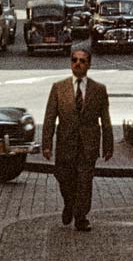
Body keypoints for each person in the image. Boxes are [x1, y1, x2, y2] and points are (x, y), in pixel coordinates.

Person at [41, 48, 114, 231]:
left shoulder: (98, 89)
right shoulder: (59, 87)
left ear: (89, 64)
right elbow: (50, 117)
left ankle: (81, 216)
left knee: (84, 181)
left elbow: (105, 119)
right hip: (65, 143)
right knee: (65, 179)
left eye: (82, 61)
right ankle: (69, 204)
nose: (78, 64)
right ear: (70, 63)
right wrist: (47, 144)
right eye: (74, 60)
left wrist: (108, 145)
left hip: (88, 145)